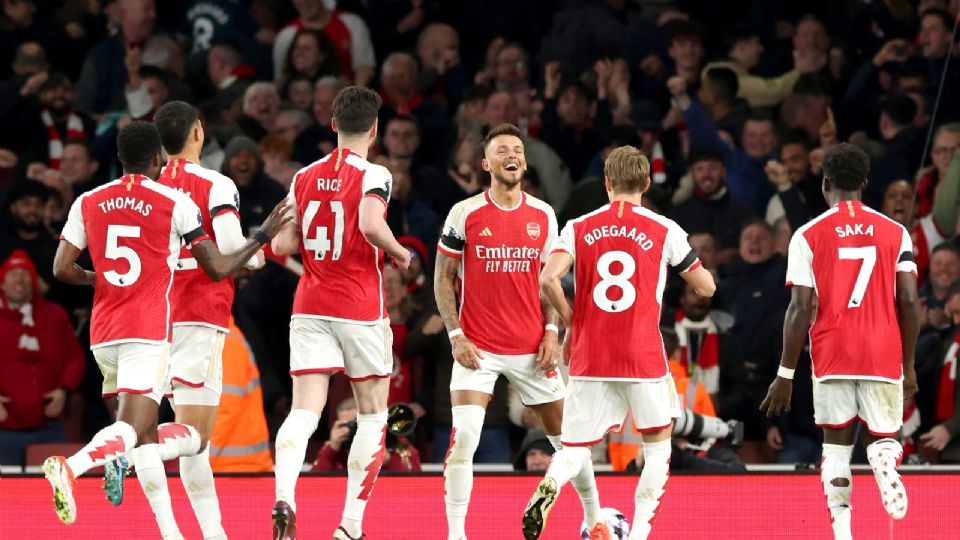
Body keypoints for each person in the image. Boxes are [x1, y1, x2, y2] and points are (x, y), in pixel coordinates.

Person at [40, 121, 289, 530]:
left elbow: (61, 269)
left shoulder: (88, 199)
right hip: (158, 326)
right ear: (159, 157)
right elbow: (221, 264)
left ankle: (180, 532)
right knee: (162, 433)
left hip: (104, 330)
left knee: (142, 431)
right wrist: (262, 236)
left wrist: (96, 277)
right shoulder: (177, 199)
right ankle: (75, 465)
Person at [525, 145, 715, 540]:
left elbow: (547, 280)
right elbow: (706, 287)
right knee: (658, 446)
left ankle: (552, 483)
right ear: (646, 183)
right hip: (642, 353)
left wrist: (572, 318)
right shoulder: (665, 229)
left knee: (575, 446)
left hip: (591, 353)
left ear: (606, 183)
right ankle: (641, 532)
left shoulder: (578, 226)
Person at [103, 101, 267, 539]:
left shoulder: (145, 188)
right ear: (199, 131)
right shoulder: (214, 183)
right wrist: (261, 252)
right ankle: (124, 447)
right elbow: (232, 249)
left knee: (178, 439)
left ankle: (200, 534)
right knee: (193, 432)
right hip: (199, 313)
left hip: (147, 318)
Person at [435, 123, 597, 540]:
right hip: (478, 347)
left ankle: (593, 521)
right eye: (503, 150)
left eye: (519, 150)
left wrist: (550, 331)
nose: (514, 156)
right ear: (486, 164)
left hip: (532, 347)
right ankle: (456, 534)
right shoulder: (464, 213)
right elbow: (443, 278)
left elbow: (550, 281)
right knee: (465, 437)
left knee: (570, 441)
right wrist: (455, 335)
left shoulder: (543, 214)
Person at [269, 86, 411, 540]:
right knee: (372, 416)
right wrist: (399, 251)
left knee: (304, 413)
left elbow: (282, 245)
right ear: (374, 129)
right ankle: (349, 526)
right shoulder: (375, 173)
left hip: (310, 305)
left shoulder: (304, 176)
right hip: (360, 307)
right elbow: (371, 224)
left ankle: (286, 497)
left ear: (333, 125)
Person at [761, 143, 921, 540]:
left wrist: (785, 373)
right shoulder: (896, 232)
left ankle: (844, 533)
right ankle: (884, 458)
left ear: (825, 183)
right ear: (865, 183)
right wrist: (910, 365)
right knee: (884, 438)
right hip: (882, 350)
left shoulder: (807, 235)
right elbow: (910, 301)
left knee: (835, 449)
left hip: (832, 352)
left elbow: (798, 309)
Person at [0, 249, 85, 466]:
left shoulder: (53, 315)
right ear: (2, 283)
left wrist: (64, 390)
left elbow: (75, 358)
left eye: (25, 274)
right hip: (4, 431)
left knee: (57, 489)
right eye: (13, 274)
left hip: (49, 428)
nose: (19, 280)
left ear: (34, 282)